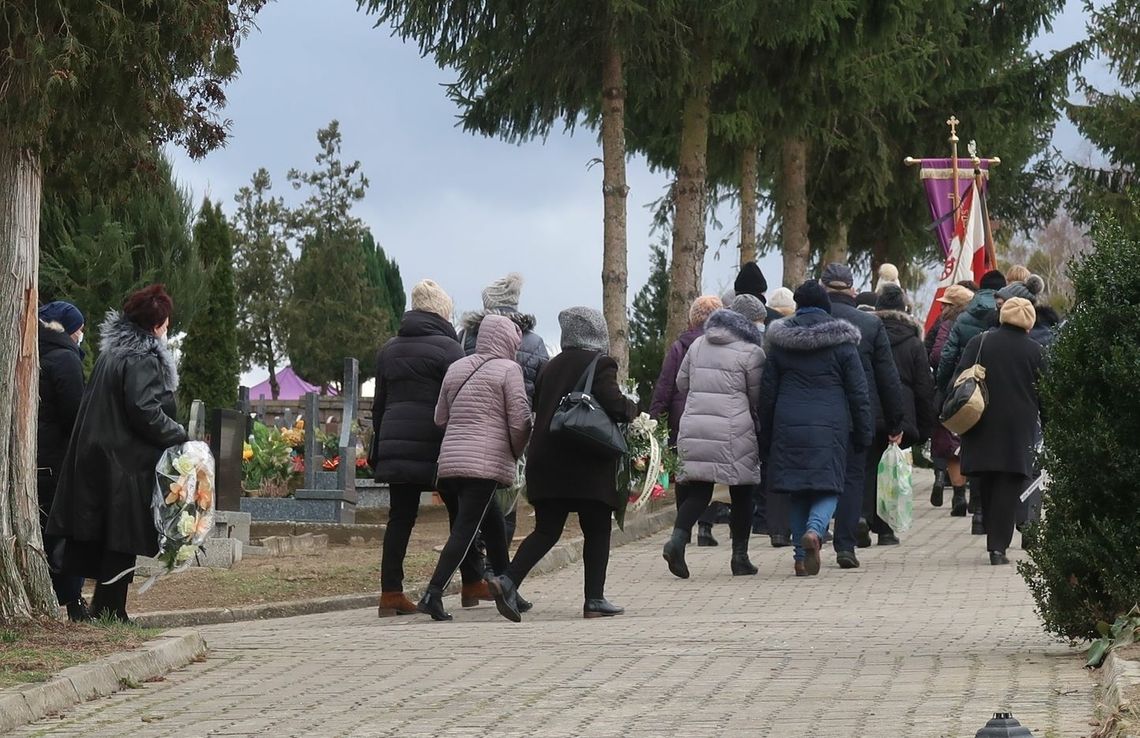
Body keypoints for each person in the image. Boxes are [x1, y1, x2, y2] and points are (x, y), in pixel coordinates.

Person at [47, 285, 188, 622]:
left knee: (111, 538)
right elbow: (144, 409)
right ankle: (112, 611)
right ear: (156, 324)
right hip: (124, 462)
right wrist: (181, 435)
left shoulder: (115, 353)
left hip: (102, 456)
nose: (167, 330)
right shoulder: (143, 357)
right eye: (166, 324)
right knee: (121, 539)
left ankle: (108, 608)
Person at [488, 308, 638, 621]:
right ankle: (594, 600)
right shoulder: (600, 363)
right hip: (586, 463)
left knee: (546, 529)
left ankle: (507, 580)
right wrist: (632, 408)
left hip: (546, 462)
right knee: (597, 530)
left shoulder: (549, 366)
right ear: (597, 333)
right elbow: (613, 404)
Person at [371, 280, 490, 617]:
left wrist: (381, 445)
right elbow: (459, 400)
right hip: (438, 443)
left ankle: (391, 592)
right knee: (461, 512)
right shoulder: (450, 349)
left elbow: (379, 405)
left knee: (400, 518)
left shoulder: (388, 349)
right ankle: (471, 581)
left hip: (396, 441)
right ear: (443, 311)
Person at [417, 314, 532, 621]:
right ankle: (433, 592)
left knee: (493, 525)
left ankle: (508, 588)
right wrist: (515, 451)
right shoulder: (509, 370)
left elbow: (440, 418)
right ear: (509, 341)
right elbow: (520, 420)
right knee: (465, 531)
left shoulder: (457, 367)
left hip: (450, 464)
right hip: (482, 465)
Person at [759, 281, 872, 576]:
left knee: (797, 491)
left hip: (788, 424)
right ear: (825, 306)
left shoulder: (780, 343)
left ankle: (800, 557)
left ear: (798, 305)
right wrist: (863, 432)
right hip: (830, 426)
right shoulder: (843, 343)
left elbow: (767, 394)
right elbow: (859, 393)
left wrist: (767, 434)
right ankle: (815, 531)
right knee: (830, 485)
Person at [661, 303, 766, 579]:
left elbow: (681, 383)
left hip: (695, 424)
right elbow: (758, 397)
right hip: (735, 429)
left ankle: (677, 541)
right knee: (742, 492)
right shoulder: (751, 352)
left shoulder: (697, 345)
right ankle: (740, 557)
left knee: (699, 491)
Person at [820, 263, 904, 569]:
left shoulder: (812, 321)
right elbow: (887, 378)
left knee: (819, 476)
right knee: (853, 478)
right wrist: (896, 422)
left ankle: (812, 534)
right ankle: (846, 544)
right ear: (852, 289)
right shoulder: (869, 325)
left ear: (823, 285)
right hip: (858, 415)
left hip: (819, 415)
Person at [458, 272, 548, 547]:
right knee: (508, 498)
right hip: (516, 432)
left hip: (474, 429)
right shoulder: (533, 341)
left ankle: (478, 560)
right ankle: (498, 567)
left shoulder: (465, 338)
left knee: (474, 501)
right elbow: (542, 389)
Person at [953, 298, 1045, 565]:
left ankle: (989, 530)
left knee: (987, 480)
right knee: (1008, 483)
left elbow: (958, 378)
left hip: (980, 420)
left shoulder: (979, 342)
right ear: (1029, 323)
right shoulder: (1036, 351)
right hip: (1018, 428)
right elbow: (1046, 394)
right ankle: (997, 547)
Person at [648, 295, 723, 546]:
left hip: (683, 419)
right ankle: (705, 527)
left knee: (683, 473)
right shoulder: (724, 345)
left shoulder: (680, 347)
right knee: (708, 474)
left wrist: (655, 418)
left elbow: (665, 385)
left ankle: (683, 529)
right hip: (714, 417)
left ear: (692, 319)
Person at [865, 286, 936, 544]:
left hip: (869, 406)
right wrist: (927, 426)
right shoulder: (914, 341)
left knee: (867, 466)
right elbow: (923, 386)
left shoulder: (867, 335)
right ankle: (885, 529)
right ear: (904, 309)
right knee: (892, 471)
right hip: (902, 411)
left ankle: (863, 518)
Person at [938, 269, 1006, 534]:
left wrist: (946, 389)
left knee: (976, 449)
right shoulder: (1006, 312)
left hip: (970, 393)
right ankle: (998, 512)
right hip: (1001, 392)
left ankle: (978, 512)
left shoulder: (964, 316)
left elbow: (947, 355)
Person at [36, 301, 88, 621]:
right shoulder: (66, 359)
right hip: (58, 461)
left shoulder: (38, 353)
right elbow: (74, 416)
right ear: (66, 330)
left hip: (37, 459)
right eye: (79, 329)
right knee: (66, 531)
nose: (82, 334)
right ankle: (71, 600)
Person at [927, 284, 975, 515]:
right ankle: (975, 495)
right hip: (979, 386)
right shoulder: (984, 319)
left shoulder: (948, 323)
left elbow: (937, 354)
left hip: (953, 386)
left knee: (950, 436)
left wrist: (943, 378)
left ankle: (957, 495)